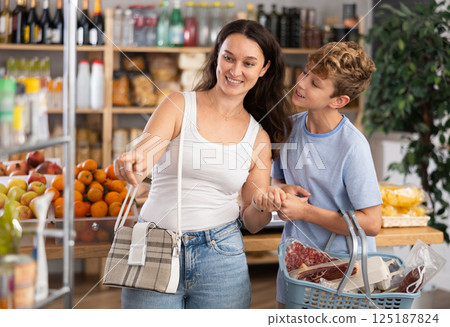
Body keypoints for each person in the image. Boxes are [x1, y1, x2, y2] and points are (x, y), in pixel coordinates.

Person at [113, 20, 292, 309]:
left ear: (264, 69)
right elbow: (147, 150)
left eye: (248, 63)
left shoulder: (258, 136)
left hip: (220, 257)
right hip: (154, 245)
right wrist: (134, 161)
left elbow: (252, 221)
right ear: (216, 56)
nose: (235, 71)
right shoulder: (178, 105)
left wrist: (263, 203)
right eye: (228, 58)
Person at [253, 41, 382, 307]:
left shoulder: (352, 146)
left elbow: (371, 223)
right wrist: (281, 193)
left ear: (339, 100)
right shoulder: (287, 129)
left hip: (344, 273)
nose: (300, 83)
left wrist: (306, 212)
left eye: (315, 83)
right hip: (295, 263)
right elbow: (278, 182)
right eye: (305, 73)